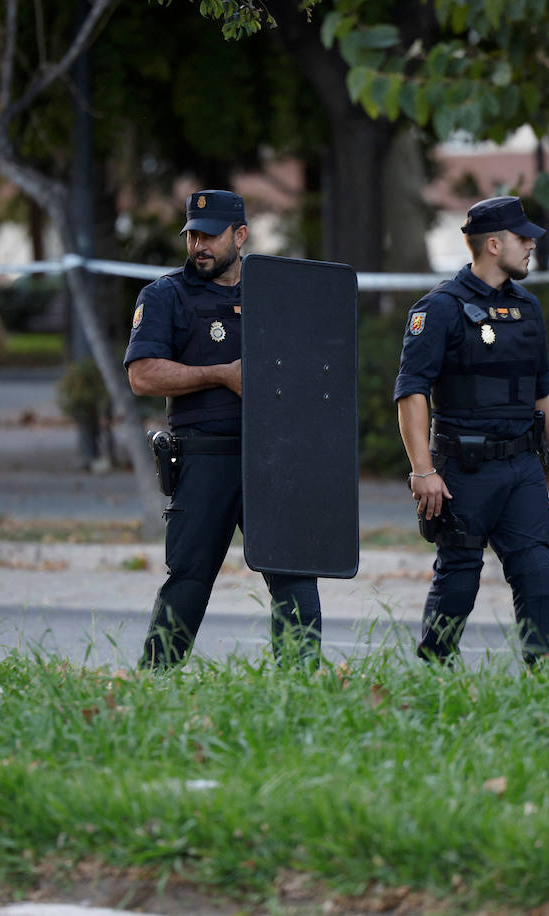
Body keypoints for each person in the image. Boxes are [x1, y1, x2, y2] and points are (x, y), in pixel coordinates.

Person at [124, 189, 321, 669]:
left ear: (241, 235)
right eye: (192, 235)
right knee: (189, 576)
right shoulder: (166, 295)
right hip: (204, 457)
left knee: (294, 572)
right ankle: (155, 683)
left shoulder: (274, 293)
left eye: (209, 236)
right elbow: (142, 374)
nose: (198, 246)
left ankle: (303, 688)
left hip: (270, 457)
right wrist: (219, 374)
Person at [394, 196, 549, 666]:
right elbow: (411, 392)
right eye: (523, 238)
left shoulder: (528, 308)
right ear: (494, 245)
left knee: (538, 572)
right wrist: (422, 471)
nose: (532, 244)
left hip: (521, 467)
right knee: (459, 576)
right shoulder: (439, 310)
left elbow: (545, 387)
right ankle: (434, 672)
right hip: (463, 472)